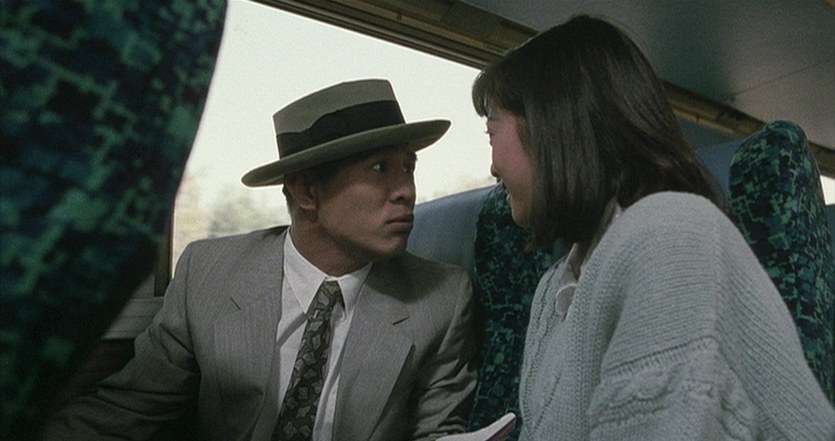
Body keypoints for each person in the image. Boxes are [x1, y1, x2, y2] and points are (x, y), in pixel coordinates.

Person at [43, 79, 477, 441]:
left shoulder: (442, 298)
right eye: (380, 169)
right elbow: (130, 409)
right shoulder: (208, 274)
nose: (407, 191)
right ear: (306, 192)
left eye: (409, 167)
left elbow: (439, 431)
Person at [472, 15, 835, 440]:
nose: (492, 166)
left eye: (491, 133)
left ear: (549, 127)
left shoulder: (670, 239)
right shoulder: (554, 289)